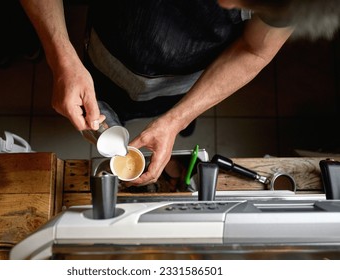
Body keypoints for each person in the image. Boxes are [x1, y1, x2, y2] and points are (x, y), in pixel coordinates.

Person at [20, 0, 339, 186]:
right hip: (107, 54)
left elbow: (255, 50)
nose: (228, 7)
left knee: (171, 118)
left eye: (248, 6)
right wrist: (60, 55)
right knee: (103, 103)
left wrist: (177, 118)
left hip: (179, 85)